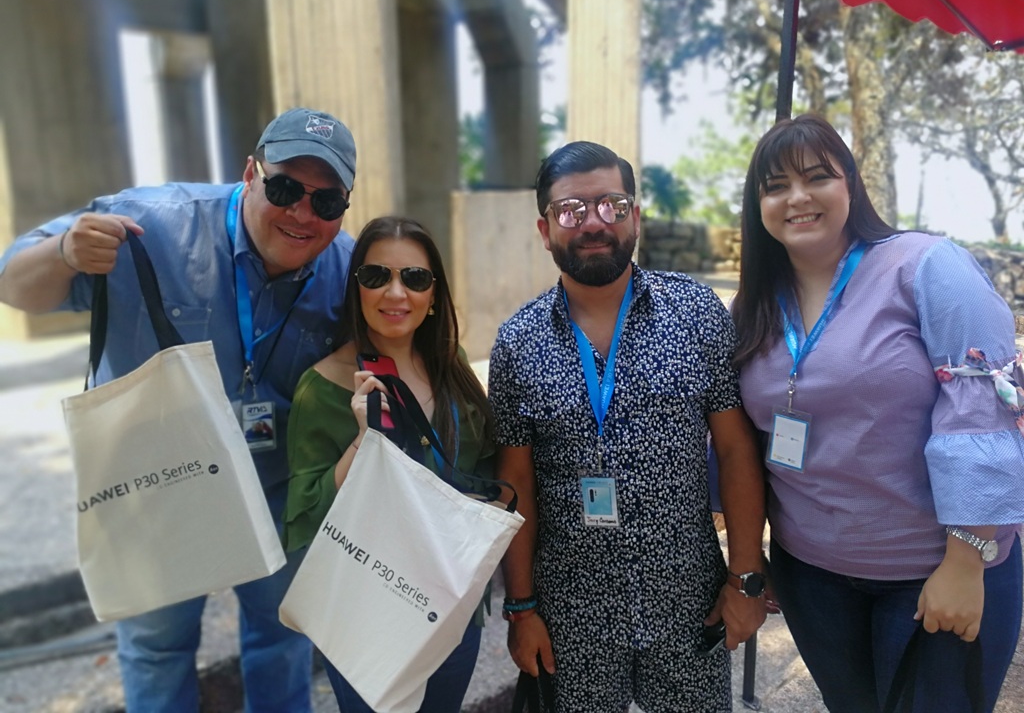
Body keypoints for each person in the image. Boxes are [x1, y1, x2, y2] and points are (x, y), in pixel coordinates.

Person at [0, 107, 358, 712]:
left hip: (277, 491)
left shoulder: (347, 266)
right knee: (157, 650)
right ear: (251, 173)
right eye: (284, 189)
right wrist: (64, 251)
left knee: (284, 637)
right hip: (157, 488)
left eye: (325, 201)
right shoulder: (147, 226)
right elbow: (13, 284)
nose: (302, 213)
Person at [732, 113, 1024, 712]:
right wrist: (748, 558)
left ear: (851, 184)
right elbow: (743, 439)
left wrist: (967, 557)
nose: (797, 197)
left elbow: (984, 411)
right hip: (811, 576)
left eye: (817, 177)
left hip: (934, 569)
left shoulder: (927, 266)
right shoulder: (754, 304)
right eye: (776, 186)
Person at [488, 141, 768, 712]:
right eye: (570, 210)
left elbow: (736, 451)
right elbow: (516, 484)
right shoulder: (517, 344)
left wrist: (746, 580)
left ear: (635, 217)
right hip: (572, 618)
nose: (594, 222)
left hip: (689, 604)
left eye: (611, 205)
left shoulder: (696, 314)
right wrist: (521, 608)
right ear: (545, 230)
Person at [282, 215, 496, 713]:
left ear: (434, 294)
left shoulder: (452, 365)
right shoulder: (323, 387)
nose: (396, 293)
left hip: (451, 605)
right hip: (368, 613)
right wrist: (363, 441)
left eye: (414, 278)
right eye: (376, 276)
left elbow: (484, 464)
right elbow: (305, 518)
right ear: (356, 288)